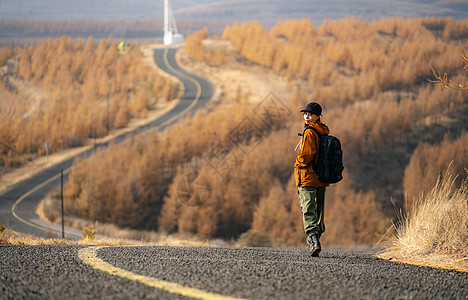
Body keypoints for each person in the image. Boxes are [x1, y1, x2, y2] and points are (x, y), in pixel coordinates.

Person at [294, 102, 330, 257]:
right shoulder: (323, 131)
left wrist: (297, 164)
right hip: (321, 178)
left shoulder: (309, 132)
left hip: (308, 177)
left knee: (308, 210)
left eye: (310, 114)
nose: (306, 116)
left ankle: (313, 240)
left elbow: (307, 155)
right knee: (319, 211)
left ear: (318, 116)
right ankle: (315, 239)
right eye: (305, 114)